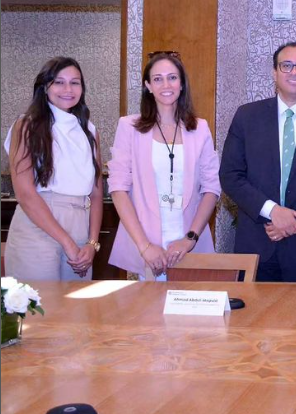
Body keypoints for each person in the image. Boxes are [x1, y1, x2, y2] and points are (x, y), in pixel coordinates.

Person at [220, 42, 296, 282]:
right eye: (286, 65)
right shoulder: (247, 116)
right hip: (256, 247)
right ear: (274, 73)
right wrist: (273, 212)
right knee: (253, 309)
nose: (294, 72)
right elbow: (230, 175)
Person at [108, 52, 220, 279]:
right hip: (147, 245)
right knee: (149, 302)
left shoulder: (200, 128)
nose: (166, 85)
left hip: (188, 244)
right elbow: (118, 188)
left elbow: (211, 188)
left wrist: (189, 239)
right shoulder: (129, 127)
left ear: (182, 84)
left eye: (172, 77)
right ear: (148, 86)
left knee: (190, 302)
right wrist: (145, 246)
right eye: (157, 79)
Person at [4, 57, 104, 281]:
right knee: (38, 302)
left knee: (77, 302)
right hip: (37, 225)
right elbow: (25, 193)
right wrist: (67, 242)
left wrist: (92, 243)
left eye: (75, 82)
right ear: (45, 87)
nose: (68, 89)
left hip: (80, 224)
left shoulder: (89, 131)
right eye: (59, 82)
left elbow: (96, 194)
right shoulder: (26, 125)